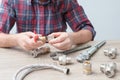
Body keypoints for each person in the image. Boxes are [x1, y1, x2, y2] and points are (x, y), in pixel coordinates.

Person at [0, 0, 96, 51]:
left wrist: (72, 38)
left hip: (59, 55)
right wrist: (16, 40)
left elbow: (89, 31)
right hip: (25, 55)